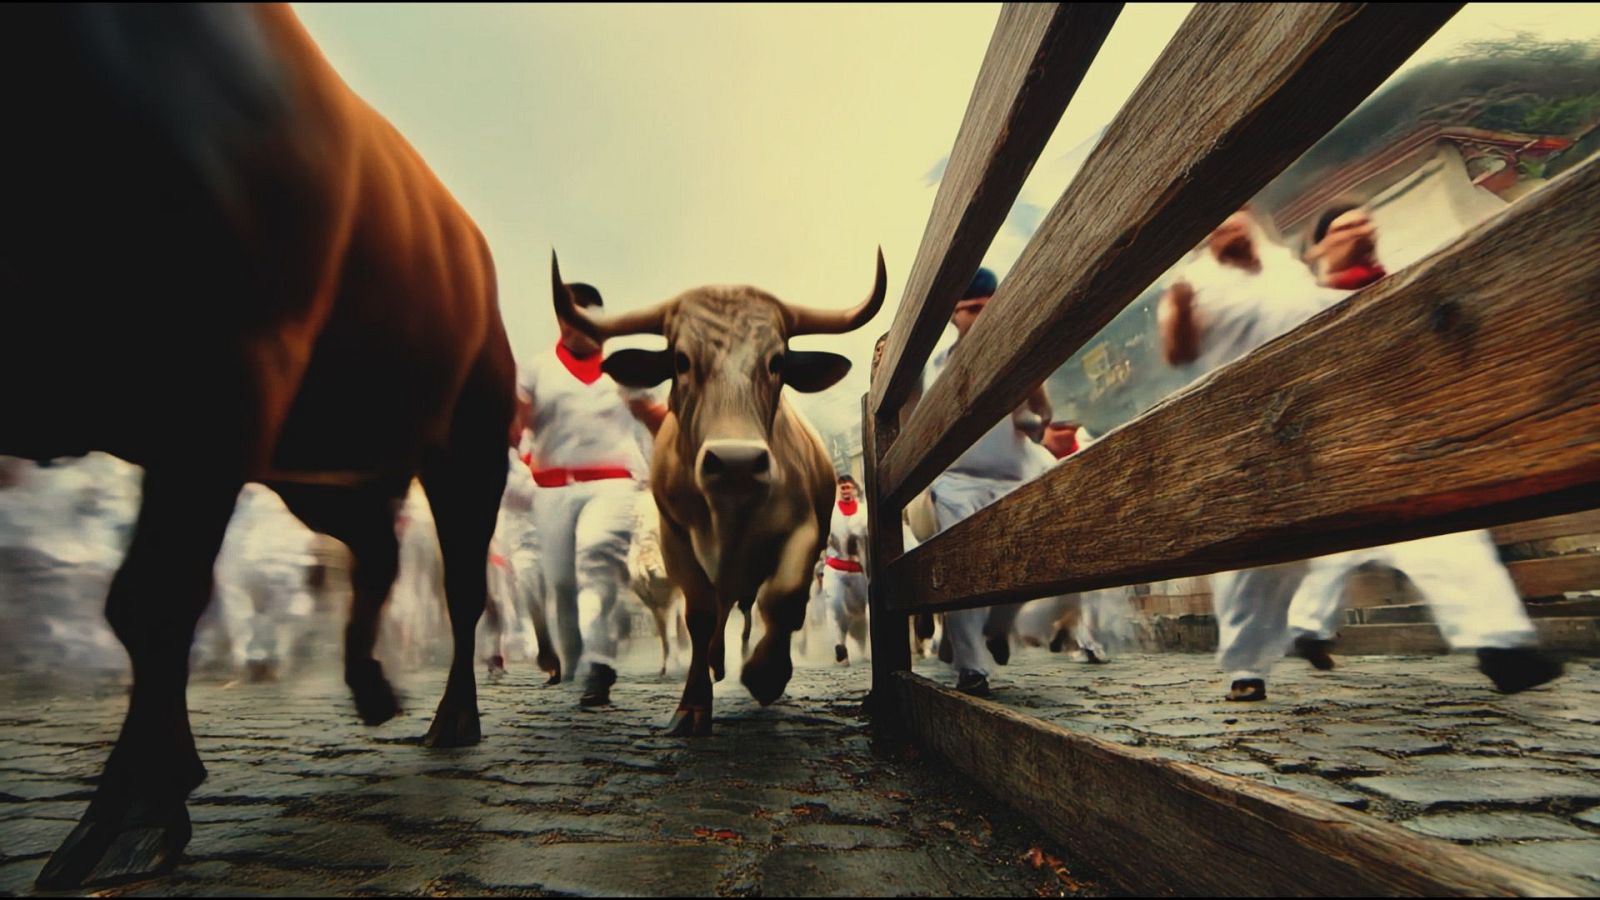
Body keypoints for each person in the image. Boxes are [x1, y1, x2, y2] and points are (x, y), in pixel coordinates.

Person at [1159, 206, 1561, 700]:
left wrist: (1360, 280)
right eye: (1220, 225)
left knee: (1435, 519)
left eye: (1240, 221)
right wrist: (1179, 308)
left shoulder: (1286, 269)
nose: (1233, 230)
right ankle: (1247, 667)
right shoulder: (1191, 283)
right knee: (1259, 565)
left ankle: (1501, 645)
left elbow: (1325, 312)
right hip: (1252, 435)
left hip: (1335, 418)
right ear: (1206, 240)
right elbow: (1177, 354)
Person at [518, 281, 668, 707]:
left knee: (596, 563)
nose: (580, 326)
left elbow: (659, 420)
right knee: (562, 583)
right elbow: (515, 423)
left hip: (613, 484)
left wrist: (682, 449)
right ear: (562, 321)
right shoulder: (535, 369)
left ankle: (599, 666)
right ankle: (576, 661)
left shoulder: (624, 370)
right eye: (571, 317)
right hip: (551, 489)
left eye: (589, 319)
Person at [920, 267, 1052, 696]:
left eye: (986, 308)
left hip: (1012, 476)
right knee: (963, 571)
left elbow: (1039, 417)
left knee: (1023, 567)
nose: (977, 318)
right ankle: (971, 668)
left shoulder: (1018, 350)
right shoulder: (935, 367)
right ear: (954, 316)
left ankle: (1000, 627)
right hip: (958, 479)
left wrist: (1031, 388)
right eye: (969, 310)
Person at [215, 484, 317, 682]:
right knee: (250, 609)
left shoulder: (267, 499)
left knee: (263, 611)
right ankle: (257, 660)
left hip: (270, 560)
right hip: (260, 561)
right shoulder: (260, 499)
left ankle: (262, 660)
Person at [822, 474, 871, 664]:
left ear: (854, 490)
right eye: (842, 488)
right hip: (834, 567)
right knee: (834, 604)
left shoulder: (864, 512)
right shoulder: (830, 511)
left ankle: (861, 647)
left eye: (848, 487)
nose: (846, 491)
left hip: (857, 568)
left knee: (858, 610)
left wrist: (858, 536)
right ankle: (839, 645)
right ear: (838, 491)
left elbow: (869, 535)